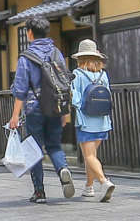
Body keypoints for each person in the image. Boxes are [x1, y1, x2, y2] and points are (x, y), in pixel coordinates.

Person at [8, 17, 76, 204]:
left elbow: (20, 89)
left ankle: (39, 192)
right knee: (54, 145)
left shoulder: (26, 57)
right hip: (54, 106)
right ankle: (62, 168)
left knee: (34, 149)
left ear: (30, 32)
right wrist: (65, 112)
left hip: (34, 108)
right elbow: (64, 83)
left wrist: (15, 116)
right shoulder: (56, 53)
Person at [71, 40, 115, 202]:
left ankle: (104, 181)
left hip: (86, 120)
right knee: (92, 155)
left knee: (88, 155)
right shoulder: (103, 75)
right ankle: (89, 187)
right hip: (102, 120)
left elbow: (75, 99)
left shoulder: (78, 74)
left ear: (80, 58)